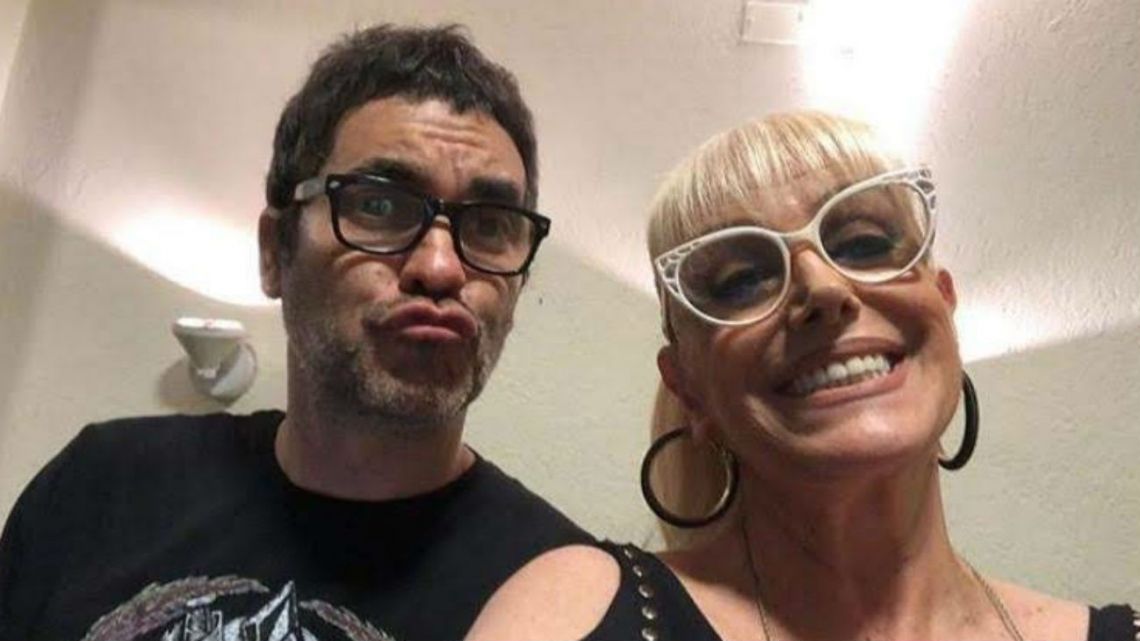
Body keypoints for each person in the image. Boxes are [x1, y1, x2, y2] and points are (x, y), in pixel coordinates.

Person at [0, 24, 590, 641]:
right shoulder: (98, 489)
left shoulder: (568, 601)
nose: (440, 268)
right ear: (275, 252)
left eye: (491, 225)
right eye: (380, 205)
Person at [467, 111, 1138, 640]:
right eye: (742, 278)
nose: (823, 288)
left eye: (865, 244)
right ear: (687, 386)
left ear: (945, 308)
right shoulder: (573, 610)